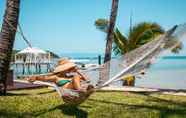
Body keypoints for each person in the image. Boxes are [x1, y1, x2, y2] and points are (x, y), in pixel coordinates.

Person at [27, 59, 94, 92]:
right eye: (67, 68)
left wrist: (77, 71)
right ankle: (81, 90)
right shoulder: (56, 77)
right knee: (76, 76)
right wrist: (36, 77)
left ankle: (84, 90)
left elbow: (87, 80)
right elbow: (44, 78)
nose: (69, 69)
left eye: (69, 68)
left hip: (74, 89)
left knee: (78, 77)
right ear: (62, 69)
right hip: (67, 91)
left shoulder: (70, 76)